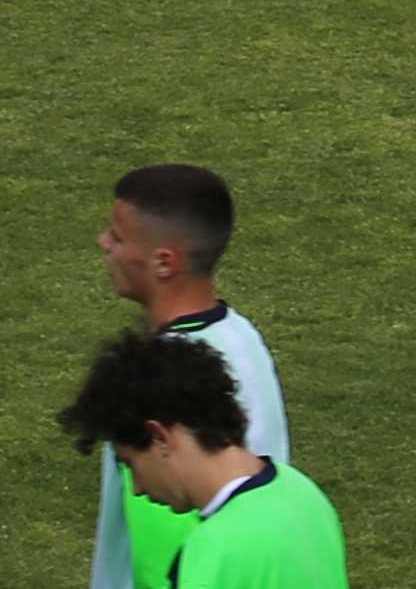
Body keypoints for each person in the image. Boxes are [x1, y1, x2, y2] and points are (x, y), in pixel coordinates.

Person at [86, 165, 290, 589]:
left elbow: (161, 557)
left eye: (118, 238)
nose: (104, 244)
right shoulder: (241, 335)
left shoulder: (159, 386)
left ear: (164, 263)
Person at [60, 327, 344, 589]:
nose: (137, 487)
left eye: (131, 464)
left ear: (159, 437)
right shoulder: (304, 495)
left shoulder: (213, 551)